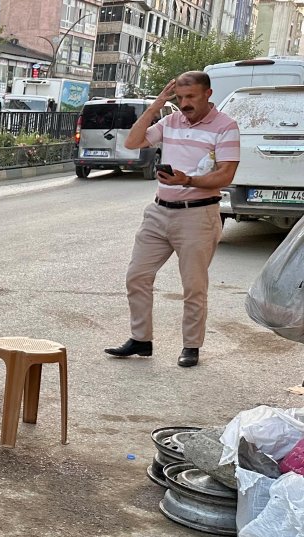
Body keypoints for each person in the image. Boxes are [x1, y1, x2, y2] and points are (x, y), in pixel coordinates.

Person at [105, 71, 240, 368]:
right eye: (179, 97)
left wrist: (187, 179)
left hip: (198, 214)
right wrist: (156, 106)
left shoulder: (225, 127)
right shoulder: (171, 120)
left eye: (190, 97)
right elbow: (132, 142)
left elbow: (226, 174)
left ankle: (191, 345)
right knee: (137, 276)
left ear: (208, 93)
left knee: (193, 285)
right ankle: (141, 339)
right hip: (158, 211)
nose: (185, 103)